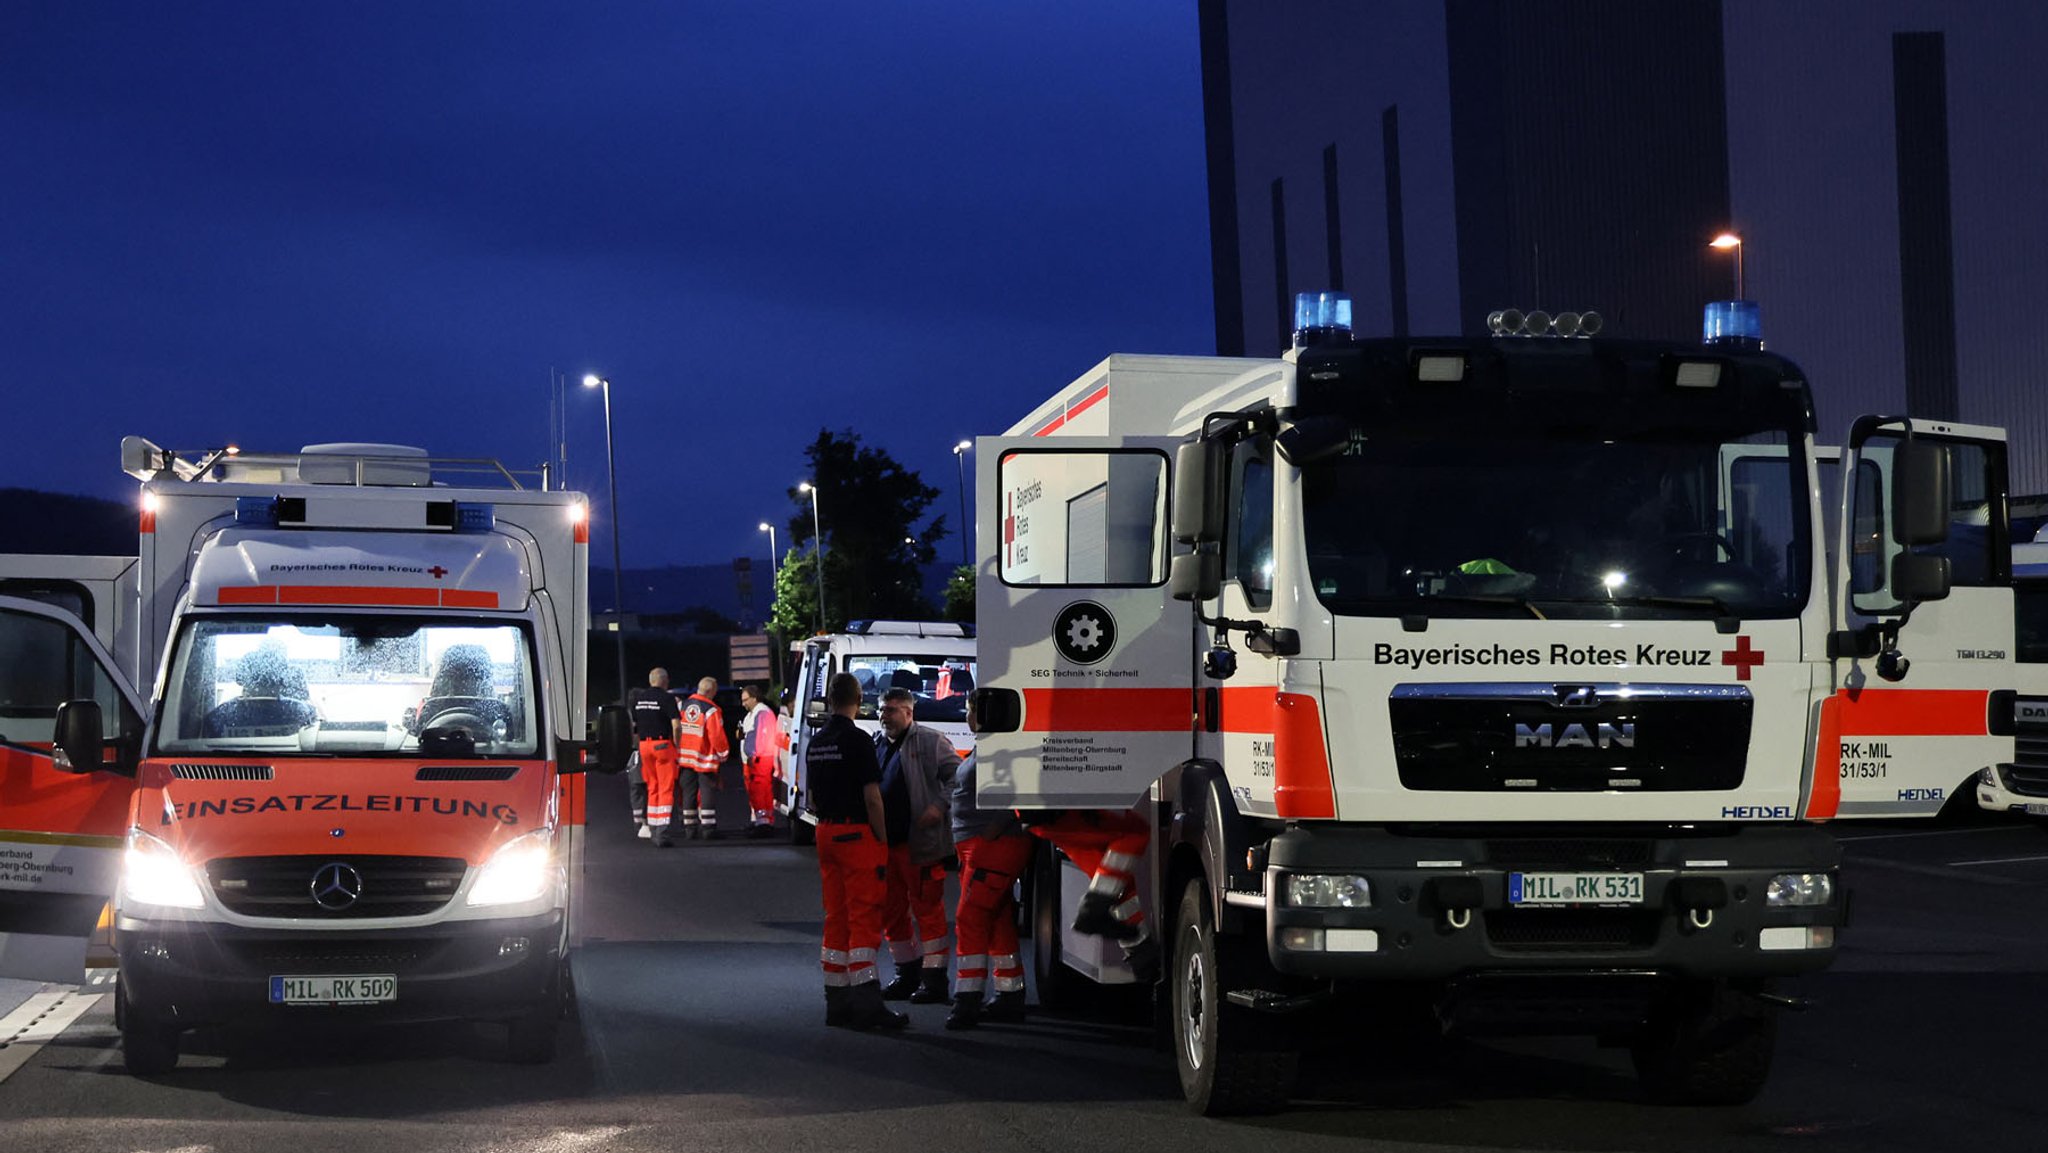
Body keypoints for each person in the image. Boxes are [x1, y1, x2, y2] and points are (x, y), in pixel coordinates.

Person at [806, 672, 907, 1031]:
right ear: (858, 698)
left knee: (837, 916)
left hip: (826, 832)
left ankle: (837, 1002)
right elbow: (872, 798)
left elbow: (813, 798)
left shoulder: (816, 742)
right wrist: (881, 839)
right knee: (864, 917)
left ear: (830, 699)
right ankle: (867, 1005)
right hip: (855, 835)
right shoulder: (859, 740)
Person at [874, 686, 961, 1004]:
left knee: (928, 911)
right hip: (889, 844)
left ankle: (934, 979)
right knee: (891, 912)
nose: (884, 715)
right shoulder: (879, 743)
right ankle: (906, 973)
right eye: (882, 709)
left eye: (891, 709)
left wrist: (938, 807)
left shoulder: (930, 741)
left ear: (909, 712)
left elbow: (958, 778)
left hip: (920, 843)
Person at [944, 750, 1031, 1030]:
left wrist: (992, 831)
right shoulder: (984, 747)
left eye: (970, 708)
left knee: (970, 918)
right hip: (980, 846)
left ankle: (967, 1000)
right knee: (997, 919)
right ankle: (1010, 994)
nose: (968, 714)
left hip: (994, 847)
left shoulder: (1002, 747)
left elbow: (1022, 788)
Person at [1027, 807, 1159, 981]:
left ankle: (1141, 955)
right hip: (1060, 810)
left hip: (1047, 812)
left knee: (1114, 875)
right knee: (1135, 833)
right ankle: (1093, 909)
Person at [625, 667, 682, 847]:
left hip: (644, 746)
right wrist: (677, 745)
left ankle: (653, 827)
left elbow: (634, 724)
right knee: (665, 788)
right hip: (662, 745)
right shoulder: (667, 698)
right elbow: (677, 725)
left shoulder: (639, 699)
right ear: (665, 681)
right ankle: (662, 832)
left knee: (652, 787)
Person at [675, 676, 730, 840]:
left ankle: (689, 828)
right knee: (706, 792)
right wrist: (723, 753)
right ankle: (708, 828)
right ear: (712, 691)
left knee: (688, 793)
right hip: (704, 759)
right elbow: (716, 735)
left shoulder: (682, 706)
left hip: (684, 758)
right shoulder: (711, 710)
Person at [738, 682, 781, 837]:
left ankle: (763, 823)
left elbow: (760, 737)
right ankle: (759, 820)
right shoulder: (754, 713)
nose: (743, 704)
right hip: (754, 757)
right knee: (755, 790)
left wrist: (753, 754)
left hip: (760, 757)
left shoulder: (762, 713)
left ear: (755, 698)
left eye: (745, 700)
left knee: (761, 789)